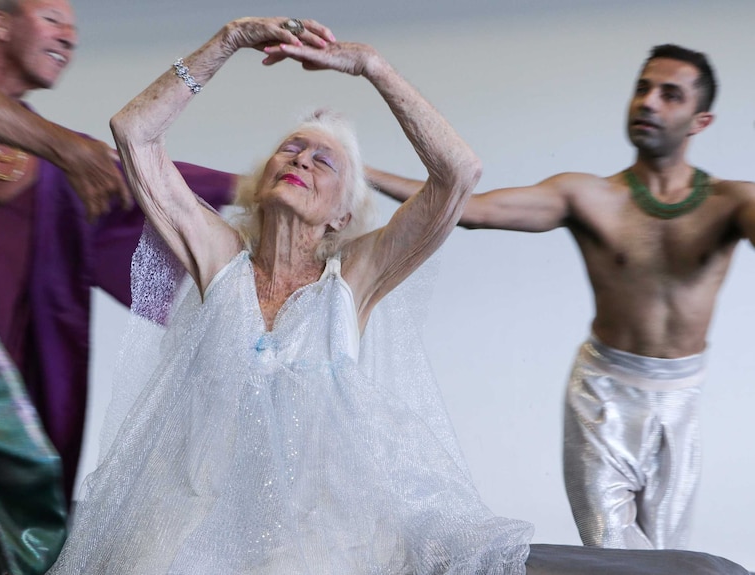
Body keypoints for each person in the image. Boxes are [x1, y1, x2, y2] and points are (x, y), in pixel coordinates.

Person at [46, 15, 538, 575]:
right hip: (192, 544)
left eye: (322, 160)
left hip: (314, 549)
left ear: (342, 216)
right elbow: (134, 131)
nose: (301, 158)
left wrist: (371, 67)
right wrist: (227, 42)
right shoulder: (219, 261)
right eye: (291, 150)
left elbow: (458, 173)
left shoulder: (353, 280)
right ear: (261, 185)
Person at [367, 44, 755, 550]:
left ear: (700, 120)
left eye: (670, 95)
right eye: (642, 88)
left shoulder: (734, 201)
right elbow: (474, 210)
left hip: (680, 398)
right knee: (614, 554)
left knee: (669, 559)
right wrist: (361, 172)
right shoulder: (587, 196)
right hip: (604, 396)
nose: (649, 103)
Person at [0, 0, 235, 573]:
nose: (68, 36)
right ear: (0, 21)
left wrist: (284, 175)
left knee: (26, 470)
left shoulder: (41, 155)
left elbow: (159, 182)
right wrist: (60, 145)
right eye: (52, 18)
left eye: (73, 27)